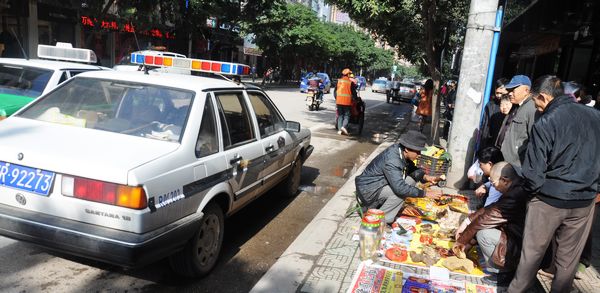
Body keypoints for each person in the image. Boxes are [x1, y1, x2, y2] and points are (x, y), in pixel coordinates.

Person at [508, 75, 600, 293]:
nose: (536, 107)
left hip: (549, 200)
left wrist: (534, 194)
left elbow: (534, 172)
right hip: (583, 201)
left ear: (544, 96)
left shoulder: (546, 122)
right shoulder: (596, 117)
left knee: (530, 258)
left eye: (535, 101)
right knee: (567, 263)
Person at [453, 162, 528, 286]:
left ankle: (504, 274)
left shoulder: (515, 194)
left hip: (521, 248)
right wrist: (467, 221)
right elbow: (491, 208)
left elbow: (486, 218)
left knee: (483, 233)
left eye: (493, 184)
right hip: (517, 239)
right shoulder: (516, 188)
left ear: (505, 180)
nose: (494, 187)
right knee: (478, 228)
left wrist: (461, 241)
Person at [354, 130, 442, 224]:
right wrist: (425, 194)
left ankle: (381, 208)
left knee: (411, 181)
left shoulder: (400, 151)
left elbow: (411, 168)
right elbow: (400, 188)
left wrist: (426, 177)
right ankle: (382, 220)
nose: (419, 154)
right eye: (417, 151)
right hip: (368, 190)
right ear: (407, 149)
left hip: (378, 184)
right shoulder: (393, 160)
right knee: (401, 192)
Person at [498, 75, 538, 169]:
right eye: (509, 90)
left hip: (517, 166)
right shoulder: (517, 106)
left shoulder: (532, 109)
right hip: (507, 163)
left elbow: (534, 141)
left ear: (526, 91)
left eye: (513, 90)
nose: (510, 94)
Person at [480, 78, 509, 149]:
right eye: (497, 93)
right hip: (489, 142)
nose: (499, 95)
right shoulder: (490, 105)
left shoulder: (512, 106)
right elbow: (485, 125)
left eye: (501, 93)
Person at [334, 68, 355, 135]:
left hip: (339, 101)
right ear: (348, 74)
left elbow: (335, 92)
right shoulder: (350, 82)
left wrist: (336, 98)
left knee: (340, 115)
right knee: (347, 115)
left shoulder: (338, 81)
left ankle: (339, 130)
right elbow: (353, 93)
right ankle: (343, 126)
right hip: (346, 102)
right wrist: (355, 98)